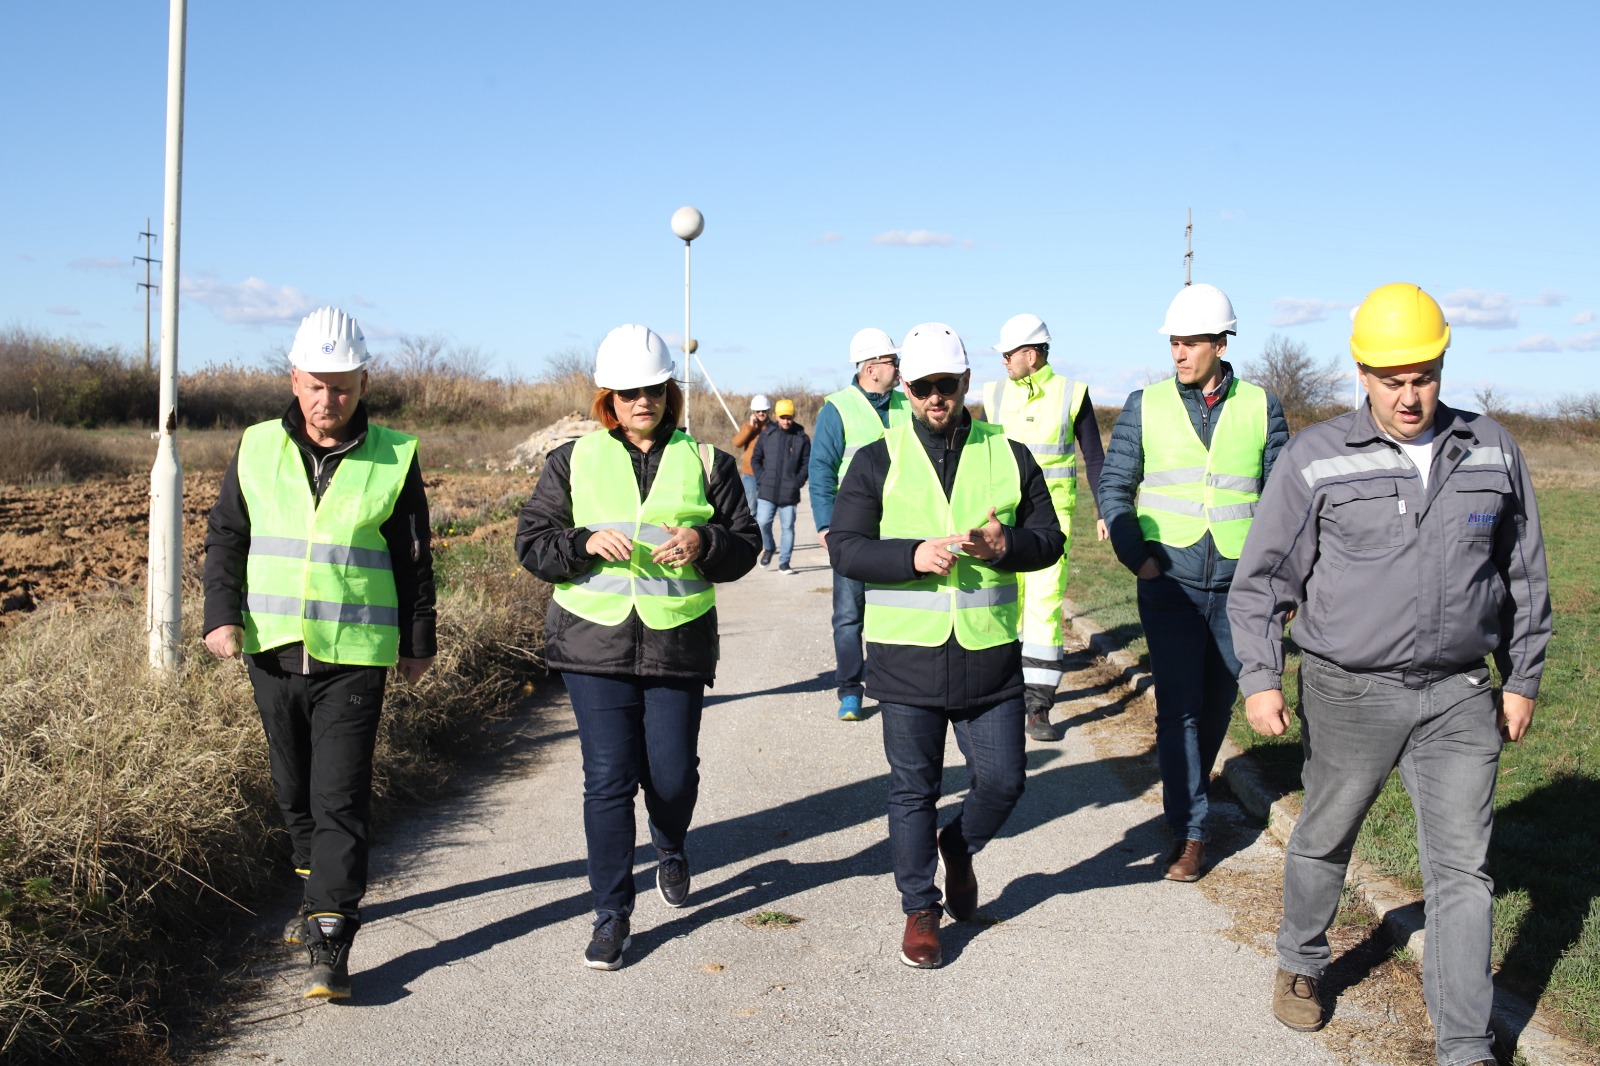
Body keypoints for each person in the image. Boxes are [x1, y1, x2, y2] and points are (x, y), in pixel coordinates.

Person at [1229, 283, 1550, 1063]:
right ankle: (1301, 964)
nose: (1410, 397)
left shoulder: (1493, 449)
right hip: (1349, 688)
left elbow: (1524, 577)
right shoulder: (1317, 457)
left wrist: (1523, 677)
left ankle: (1466, 1043)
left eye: (1424, 376)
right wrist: (1262, 675)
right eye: (1391, 379)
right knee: (1326, 835)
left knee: (1462, 870)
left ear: (1443, 364)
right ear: (1362, 374)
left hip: (1458, 692)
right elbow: (1264, 577)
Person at [202, 306, 436, 1000]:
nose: (327, 400)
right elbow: (227, 537)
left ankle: (331, 935)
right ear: (293, 379)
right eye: (315, 385)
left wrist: (418, 640)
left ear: (362, 383)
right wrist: (221, 617)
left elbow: (414, 558)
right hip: (272, 648)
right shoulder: (253, 447)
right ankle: (313, 891)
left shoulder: (395, 453)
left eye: (341, 386)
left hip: (355, 653)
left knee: (339, 794)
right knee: (292, 788)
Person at [515, 324, 759, 970]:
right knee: (607, 780)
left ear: (668, 394)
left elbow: (745, 548)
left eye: (652, 390)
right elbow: (533, 544)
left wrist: (705, 544)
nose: (641, 402)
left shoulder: (708, 462)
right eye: (628, 393)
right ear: (609, 401)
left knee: (673, 777)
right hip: (592, 644)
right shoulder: (571, 461)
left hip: (676, 641)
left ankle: (671, 844)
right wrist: (583, 542)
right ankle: (611, 915)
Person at [828, 323, 1063, 969]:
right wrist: (911, 555)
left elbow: (1050, 539)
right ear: (906, 387)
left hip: (988, 656)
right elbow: (846, 548)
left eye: (947, 385)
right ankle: (919, 910)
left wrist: (1006, 546)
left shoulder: (1007, 452)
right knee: (912, 791)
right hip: (907, 659)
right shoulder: (876, 457)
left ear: (965, 384)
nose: (936, 397)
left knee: (1006, 781)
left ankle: (957, 848)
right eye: (924, 386)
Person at [1098, 283, 1289, 882]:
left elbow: (1286, 501)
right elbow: (1114, 486)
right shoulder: (1144, 403)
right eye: (1174, 343)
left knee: (1216, 707)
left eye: (1190, 343)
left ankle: (1187, 803)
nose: (1178, 354)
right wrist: (1140, 558)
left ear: (1220, 342)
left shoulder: (1262, 405)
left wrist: (1281, 583)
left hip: (1241, 588)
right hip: (1170, 582)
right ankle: (1190, 831)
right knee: (1177, 709)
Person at [981, 312, 1108, 741]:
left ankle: (1038, 706)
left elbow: (1094, 456)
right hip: (1000, 521)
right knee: (1000, 604)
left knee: (1043, 608)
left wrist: (1104, 509)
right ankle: (1001, 692)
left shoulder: (1072, 394)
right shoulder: (993, 395)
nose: (1003, 362)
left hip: (1051, 525)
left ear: (1030, 355)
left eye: (1009, 354)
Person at [809, 327, 912, 720]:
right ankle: (850, 689)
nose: (898, 367)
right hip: (852, 531)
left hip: (901, 527)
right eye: (892, 361)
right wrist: (825, 525)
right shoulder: (837, 409)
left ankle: (895, 684)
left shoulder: (906, 403)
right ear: (871, 368)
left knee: (901, 609)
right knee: (850, 614)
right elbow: (821, 469)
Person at [750, 398, 810, 574]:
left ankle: (785, 562)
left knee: (788, 528)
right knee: (761, 522)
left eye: (789, 417)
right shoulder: (767, 434)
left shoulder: (801, 437)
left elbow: (807, 463)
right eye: (783, 417)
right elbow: (756, 458)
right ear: (776, 416)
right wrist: (762, 478)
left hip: (789, 493)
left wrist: (797, 482)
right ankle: (769, 547)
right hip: (767, 490)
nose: (786, 421)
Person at [732, 394, 771, 515]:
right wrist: (750, 427)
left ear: (768, 411)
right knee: (751, 508)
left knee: (765, 510)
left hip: (767, 473)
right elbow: (737, 442)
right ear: (753, 412)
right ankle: (753, 532)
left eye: (763, 411)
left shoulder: (773, 428)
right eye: (758, 411)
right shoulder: (748, 427)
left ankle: (763, 533)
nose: (761, 413)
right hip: (750, 474)